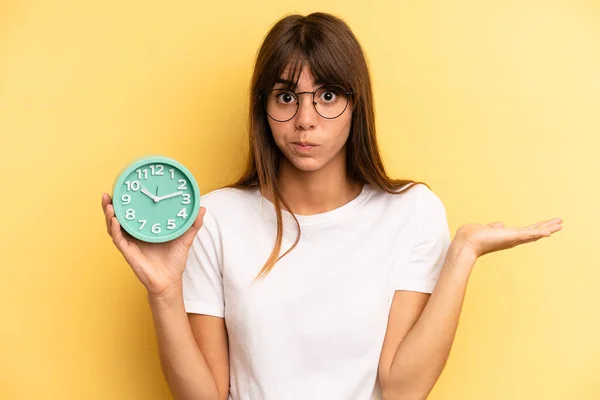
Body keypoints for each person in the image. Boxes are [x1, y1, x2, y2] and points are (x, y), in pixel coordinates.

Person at [100, 12, 562, 400]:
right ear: (263, 107)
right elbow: (205, 395)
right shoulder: (214, 217)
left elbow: (402, 389)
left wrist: (463, 252)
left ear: (355, 103)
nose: (305, 121)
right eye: (286, 97)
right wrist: (164, 294)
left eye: (327, 96)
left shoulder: (412, 213)